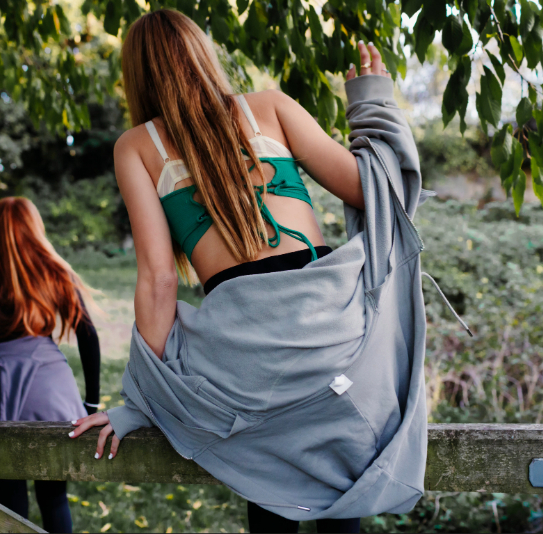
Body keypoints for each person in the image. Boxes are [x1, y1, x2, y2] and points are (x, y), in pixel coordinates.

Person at [70, 8, 436, 534]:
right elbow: (374, 190)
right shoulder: (270, 106)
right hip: (331, 334)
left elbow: (160, 280)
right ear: (203, 53)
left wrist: (140, 403)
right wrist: (372, 101)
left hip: (244, 362)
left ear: (137, 75)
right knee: (344, 483)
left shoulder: (136, 146)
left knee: (264, 466)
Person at [0, 197, 101, 534]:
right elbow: (88, 337)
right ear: (35, 229)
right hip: (50, 392)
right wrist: (92, 403)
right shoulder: (53, 270)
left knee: (7, 508)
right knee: (54, 499)